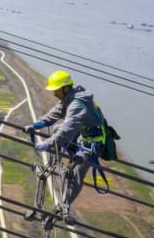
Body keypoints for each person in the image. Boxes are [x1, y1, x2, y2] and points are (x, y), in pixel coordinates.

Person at [24, 70, 105, 221]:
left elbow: (67, 130)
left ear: (66, 88)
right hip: (81, 136)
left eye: (56, 90)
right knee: (56, 129)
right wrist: (35, 125)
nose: (54, 94)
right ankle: (57, 161)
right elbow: (54, 115)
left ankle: (64, 205)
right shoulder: (70, 99)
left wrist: (47, 144)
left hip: (92, 144)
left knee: (77, 173)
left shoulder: (77, 105)